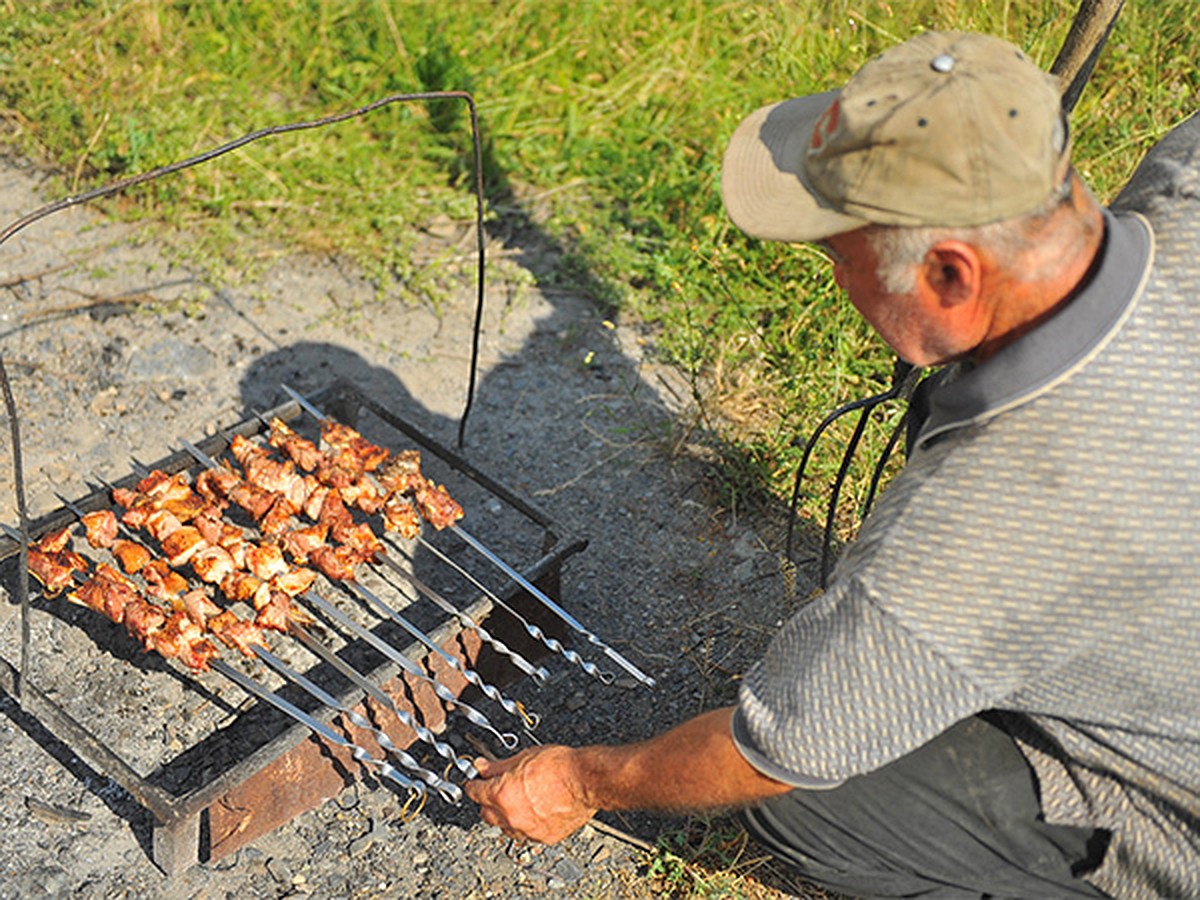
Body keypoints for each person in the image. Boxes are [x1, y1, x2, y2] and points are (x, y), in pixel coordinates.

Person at [466, 30, 1200, 899]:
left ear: (954, 275)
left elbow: (775, 750)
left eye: (837, 254)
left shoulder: (977, 526)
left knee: (810, 804)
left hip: (1178, 796)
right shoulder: (1185, 175)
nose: (835, 278)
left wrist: (578, 780)